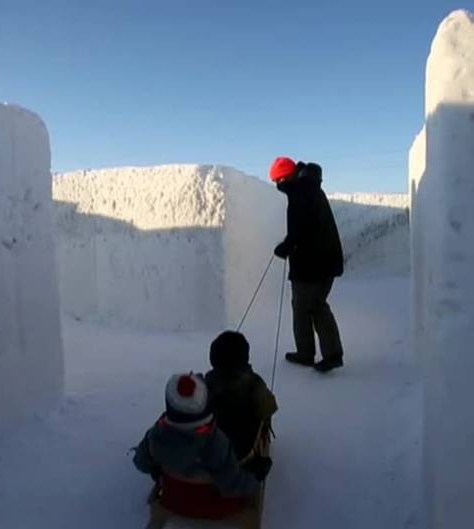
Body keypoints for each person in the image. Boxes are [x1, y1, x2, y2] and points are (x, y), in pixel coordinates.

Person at [132, 373, 272, 506]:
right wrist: (256, 475)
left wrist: (159, 469)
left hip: (172, 498)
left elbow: (140, 462)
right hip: (212, 505)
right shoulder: (216, 442)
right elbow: (232, 485)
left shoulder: (155, 435)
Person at [270, 156, 345, 373]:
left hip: (310, 264)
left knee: (302, 309)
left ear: (286, 177)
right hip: (327, 261)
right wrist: (290, 243)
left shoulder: (299, 193)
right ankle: (332, 354)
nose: (278, 186)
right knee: (318, 305)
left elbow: (300, 230)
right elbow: (308, 227)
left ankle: (306, 354)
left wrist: (286, 247)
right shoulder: (312, 189)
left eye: (278, 181)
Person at [204, 331, 278, 460]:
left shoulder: (206, 382)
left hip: (209, 449)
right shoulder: (254, 383)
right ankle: (260, 448)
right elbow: (270, 407)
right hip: (242, 455)